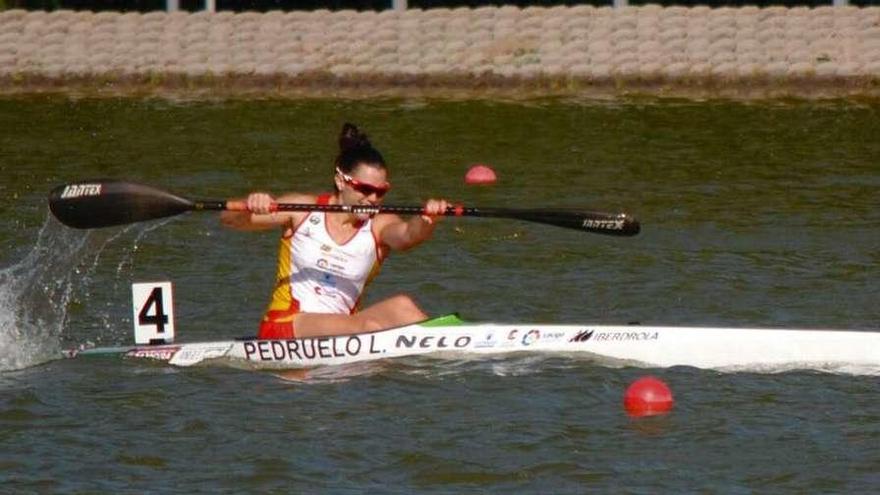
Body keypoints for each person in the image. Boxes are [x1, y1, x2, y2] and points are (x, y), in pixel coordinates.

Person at [221, 123, 449, 339]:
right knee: (368, 326)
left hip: (345, 330)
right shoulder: (300, 210)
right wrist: (251, 204)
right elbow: (230, 220)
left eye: (380, 192)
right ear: (341, 181)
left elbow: (408, 236)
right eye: (366, 189)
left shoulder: (379, 225)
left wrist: (428, 219)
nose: (372, 199)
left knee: (402, 305)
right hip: (286, 324)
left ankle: (453, 344)